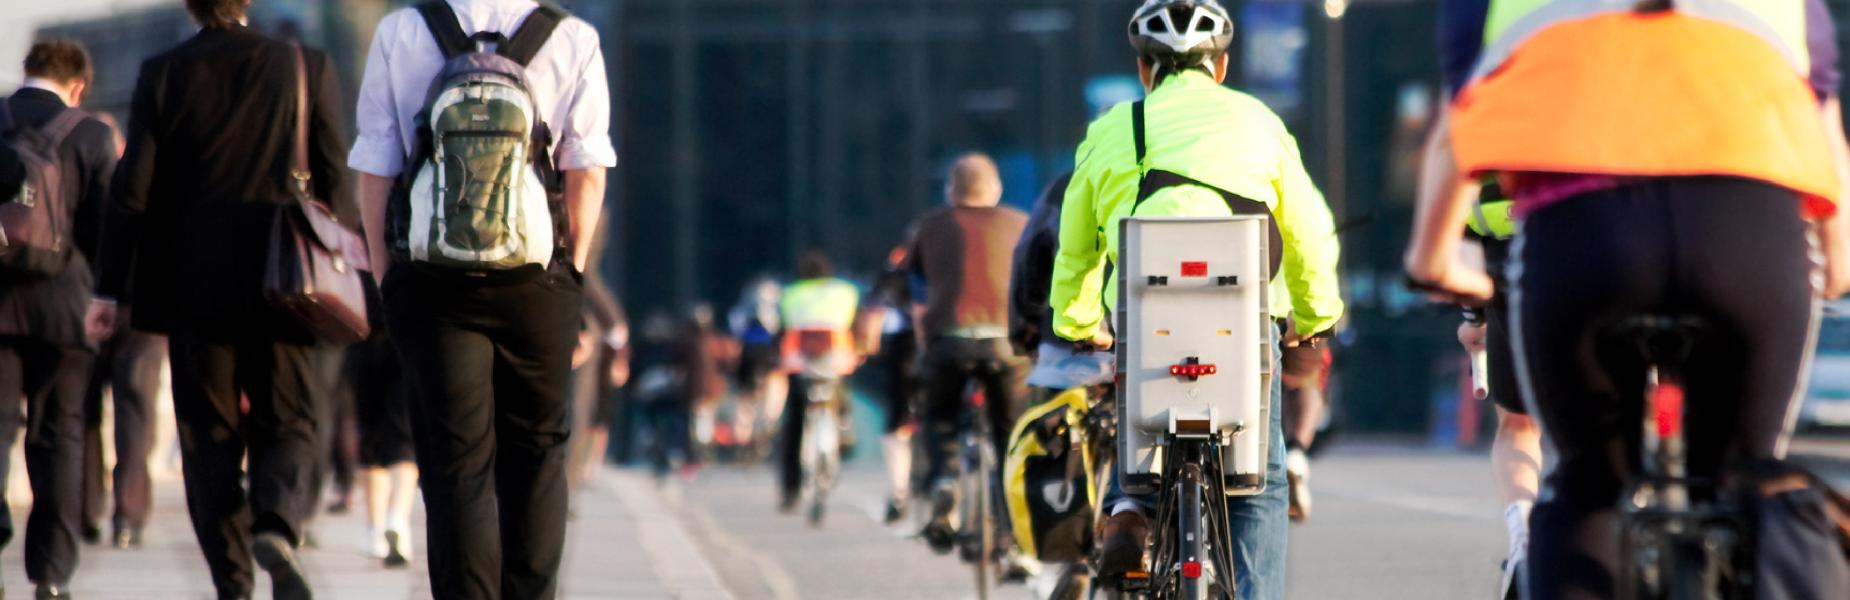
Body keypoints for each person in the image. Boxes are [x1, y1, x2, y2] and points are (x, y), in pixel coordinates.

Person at [1407, 0, 1850, 597]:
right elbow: (1825, 132)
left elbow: (1456, 132)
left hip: (1584, 235)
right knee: (1748, 474)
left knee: (1587, 486)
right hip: (1747, 231)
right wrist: (1836, 263)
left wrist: (1433, 262)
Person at [1048, 2, 1345, 598]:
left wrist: (1077, 322)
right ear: (1223, 66)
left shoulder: (1111, 129)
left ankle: (1130, 507)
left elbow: (1076, 246)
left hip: (1143, 317)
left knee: (1137, 431)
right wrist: (1316, 318)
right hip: (1244, 320)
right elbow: (1311, 231)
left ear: (1142, 70)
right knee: (1259, 481)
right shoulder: (1260, 122)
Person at [348, 0, 615, 596]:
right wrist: (568, 270)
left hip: (433, 278)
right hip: (535, 278)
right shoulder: (571, 36)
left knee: (454, 461)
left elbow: (376, 163)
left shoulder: (403, 30)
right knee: (539, 450)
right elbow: (587, 167)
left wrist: (387, 273)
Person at [94, 0, 352, 594]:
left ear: (191, 5)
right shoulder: (304, 65)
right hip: (286, 280)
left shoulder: (164, 72)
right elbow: (335, 175)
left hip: (192, 286)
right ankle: (278, 522)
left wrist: (109, 287)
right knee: (288, 415)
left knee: (206, 433)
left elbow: (132, 192)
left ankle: (232, 579)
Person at [0, 39, 117, 600]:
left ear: (27, 73)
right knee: (59, 436)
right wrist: (108, 298)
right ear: (78, 85)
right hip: (64, 306)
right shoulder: (91, 133)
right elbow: (105, 230)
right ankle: (51, 574)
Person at [905, 153, 1032, 563]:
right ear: (995, 189)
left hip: (949, 342)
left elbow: (917, 290)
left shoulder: (931, 226)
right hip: (1005, 345)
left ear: (950, 191)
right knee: (1011, 432)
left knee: (939, 415)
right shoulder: (1019, 223)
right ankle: (1014, 527)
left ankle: (945, 478)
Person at [75, 110, 165, 552]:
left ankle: (87, 507)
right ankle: (128, 515)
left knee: (85, 408)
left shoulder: (82, 185)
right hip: (143, 314)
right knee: (135, 412)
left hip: (90, 306)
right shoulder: (149, 187)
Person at [1449, 179, 1542, 600]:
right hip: (1623, 249)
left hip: (1515, 263)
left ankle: (1523, 532)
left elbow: (1463, 223)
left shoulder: (1496, 115)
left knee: (1518, 425)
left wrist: (1473, 317)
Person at [774, 251, 862, 512]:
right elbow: (854, 324)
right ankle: (845, 430)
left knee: (795, 419)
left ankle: (791, 489)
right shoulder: (844, 291)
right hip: (836, 355)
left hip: (799, 358)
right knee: (841, 395)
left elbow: (782, 328)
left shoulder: (790, 294)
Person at [348, 276, 417, 569]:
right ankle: (397, 519)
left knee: (370, 427)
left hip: (365, 319)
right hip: (409, 320)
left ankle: (375, 529)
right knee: (405, 430)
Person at [865, 246, 921, 524]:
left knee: (896, 426)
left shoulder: (891, 276)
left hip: (901, 352)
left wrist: (868, 350)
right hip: (939, 346)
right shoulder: (946, 266)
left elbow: (872, 311)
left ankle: (899, 492)